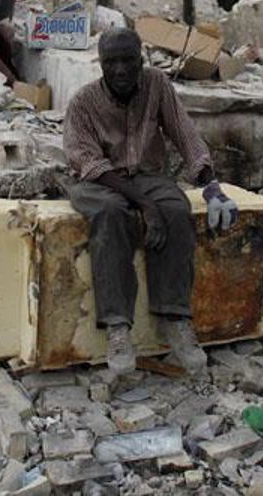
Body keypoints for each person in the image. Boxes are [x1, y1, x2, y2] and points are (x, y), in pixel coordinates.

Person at [63, 27, 238, 374]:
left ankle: (175, 318)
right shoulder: (83, 102)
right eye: (111, 62)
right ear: (101, 63)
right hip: (99, 181)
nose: (120, 70)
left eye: (128, 60)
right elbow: (90, 164)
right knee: (111, 215)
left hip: (147, 175)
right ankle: (117, 327)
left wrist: (211, 186)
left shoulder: (157, 84)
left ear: (141, 58)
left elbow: (185, 134)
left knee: (176, 210)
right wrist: (145, 205)